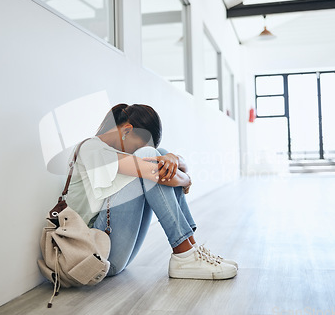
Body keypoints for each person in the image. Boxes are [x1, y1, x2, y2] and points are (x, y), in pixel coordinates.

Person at [66, 103, 237, 280]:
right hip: (92, 253)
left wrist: (174, 159)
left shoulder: (113, 150)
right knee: (150, 155)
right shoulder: (91, 149)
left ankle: (192, 250)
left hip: (113, 252)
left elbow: (168, 166)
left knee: (160, 154)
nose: (135, 152)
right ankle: (184, 255)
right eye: (135, 147)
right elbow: (155, 172)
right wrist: (187, 179)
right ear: (126, 131)